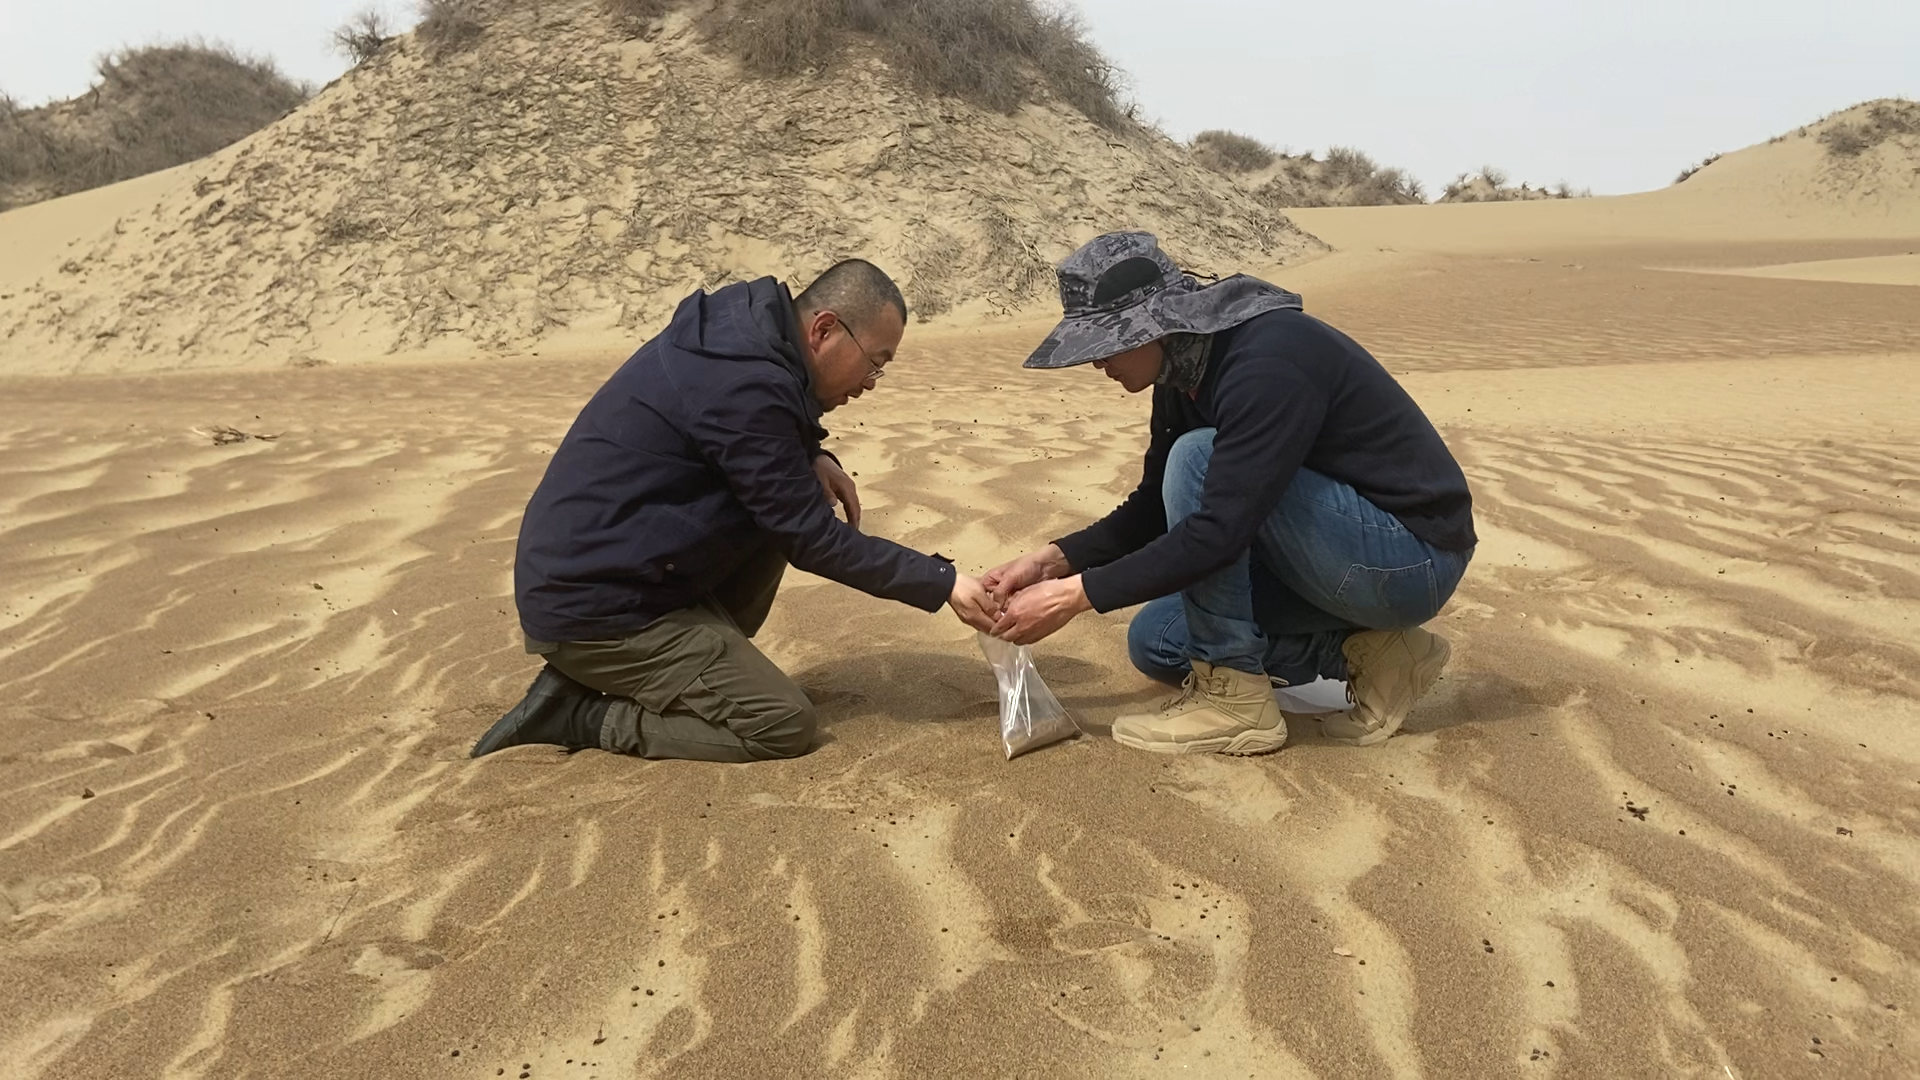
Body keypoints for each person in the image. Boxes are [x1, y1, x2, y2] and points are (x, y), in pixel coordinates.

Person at [474, 260, 1001, 763]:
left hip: (606, 574)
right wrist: (944, 583)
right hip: (593, 608)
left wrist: (812, 455)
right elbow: (812, 540)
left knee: (789, 499)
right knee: (781, 722)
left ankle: (652, 666)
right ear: (824, 330)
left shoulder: (745, 340)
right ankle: (581, 715)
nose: (870, 382)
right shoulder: (744, 381)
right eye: (875, 362)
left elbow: (750, 439)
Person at [984, 232, 1475, 755]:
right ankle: (1381, 655)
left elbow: (1218, 532)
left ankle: (1236, 705)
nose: (1097, 362)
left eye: (1107, 342)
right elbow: (1151, 509)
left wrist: (1073, 597)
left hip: (1410, 559)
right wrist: (1051, 563)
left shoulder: (1269, 359)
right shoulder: (1181, 374)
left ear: (1157, 325)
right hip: (1331, 557)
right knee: (1158, 639)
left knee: (1196, 456)